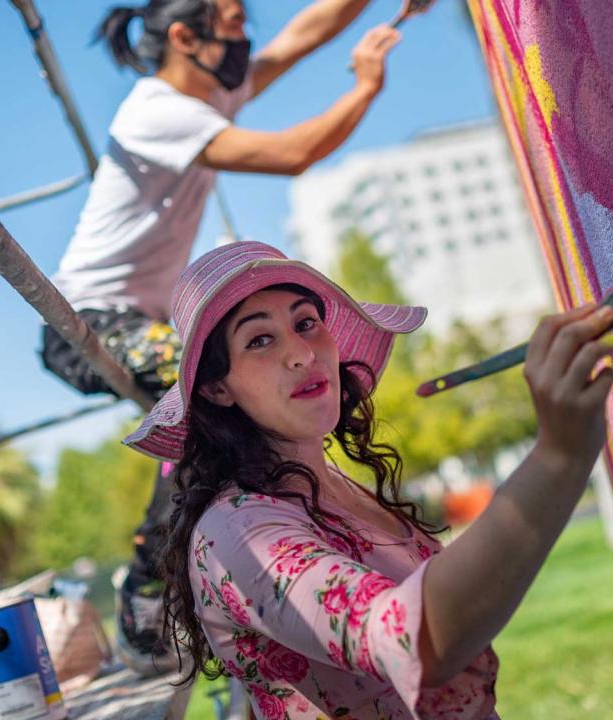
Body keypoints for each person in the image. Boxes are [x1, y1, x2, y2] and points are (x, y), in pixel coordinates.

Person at [38, 0, 402, 675]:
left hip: (134, 318)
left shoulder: (206, 98)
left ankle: (270, 542)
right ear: (185, 36)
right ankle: (147, 587)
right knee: (211, 393)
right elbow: (291, 154)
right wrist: (365, 87)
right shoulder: (157, 111)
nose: (247, 36)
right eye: (233, 23)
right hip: (85, 322)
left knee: (235, 402)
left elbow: (300, 36)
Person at [123, 241, 613, 718]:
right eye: (260, 340)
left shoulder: (333, 486)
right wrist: (559, 456)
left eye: (306, 322)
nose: (302, 353)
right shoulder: (236, 532)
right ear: (217, 388)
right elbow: (408, 640)